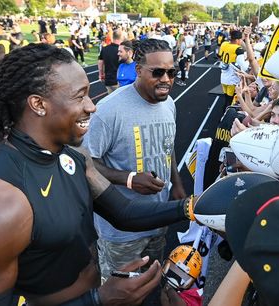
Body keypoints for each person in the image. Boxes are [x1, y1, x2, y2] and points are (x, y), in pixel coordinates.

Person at [0, 43, 194, 305]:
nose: (92, 107)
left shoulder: (73, 156)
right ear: (38, 104)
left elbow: (124, 213)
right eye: (80, 97)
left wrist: (191, 207)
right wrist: (98, 300)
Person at [83, 39, 186, 285]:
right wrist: (129, 179)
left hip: (158, 217)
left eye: (171, 72)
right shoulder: (109, 110)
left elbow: (167, 147)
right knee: (119, 290)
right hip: (121, 231)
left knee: (150, 283)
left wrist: (176, 182)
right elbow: (85, 161)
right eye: (158, 72)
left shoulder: (169, 104)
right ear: (138, 70)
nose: (166, 79)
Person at [99, 29, 122, 94]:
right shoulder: (121, 50)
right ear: (121, 37)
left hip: (108, 80)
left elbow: (100, 62)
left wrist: (101, 74)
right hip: (119, 80)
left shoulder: (105, 49)